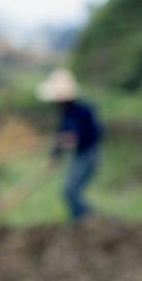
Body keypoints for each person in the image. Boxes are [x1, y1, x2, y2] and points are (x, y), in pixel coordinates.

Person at [37, 68, 102, 222]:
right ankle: (81, 221)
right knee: (69, 192)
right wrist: (54, 157)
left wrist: (69, 142)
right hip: (81, 154)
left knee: (70, 191)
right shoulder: (66, 114)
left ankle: (88, 218)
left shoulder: (81, 111)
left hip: (88, 154)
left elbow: (75, 137)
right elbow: (63, 138)